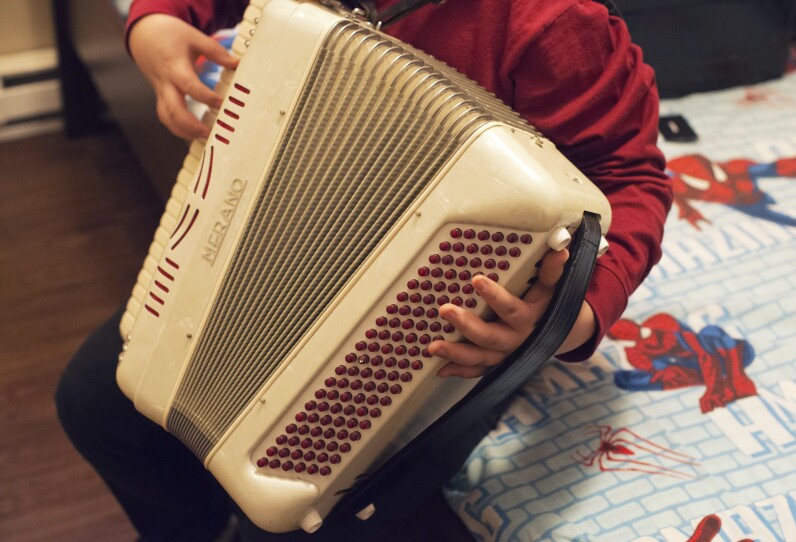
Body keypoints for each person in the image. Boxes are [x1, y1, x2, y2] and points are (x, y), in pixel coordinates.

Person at [56, 0, 672, 540]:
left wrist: (567, 316)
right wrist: (156, 22)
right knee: (92, 403)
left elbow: (631, 178)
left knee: (307, 515)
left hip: (441, 324)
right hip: (279, 240)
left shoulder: (554, 22)